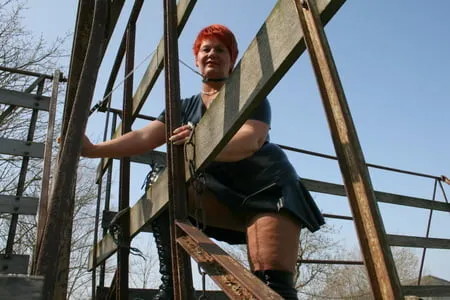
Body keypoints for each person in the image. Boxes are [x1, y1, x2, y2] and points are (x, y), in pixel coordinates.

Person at [81, 24, 325, 299]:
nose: (212, 54)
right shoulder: (183, 107)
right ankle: (174, 286)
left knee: (272, 284)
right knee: (162, 189)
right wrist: (92, 150)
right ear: (196, 58)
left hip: (268, 190)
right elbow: (143, 137)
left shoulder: (250, 96)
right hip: (218, 194)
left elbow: (251, 140)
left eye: (221, 50)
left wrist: (198, 140)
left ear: (232, 60)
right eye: (206, 49)